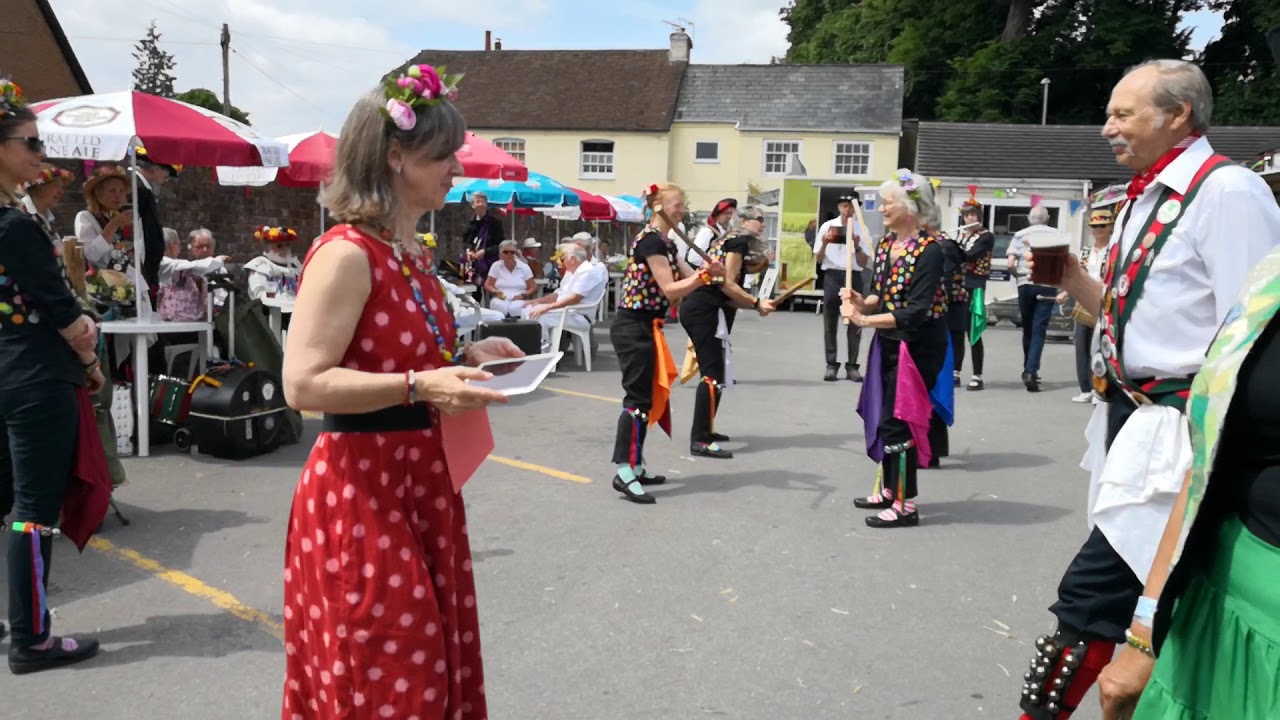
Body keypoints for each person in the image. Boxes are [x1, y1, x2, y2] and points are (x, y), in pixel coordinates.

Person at [1016, 59, 1280, 720]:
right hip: (1133, 428)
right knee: (1130, 610)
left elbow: (1249, 335)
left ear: (1179, 114)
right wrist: (1072, 277)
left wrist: (1205, 456)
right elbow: (1124, 316)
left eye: (1122, 114)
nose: (1107, 128)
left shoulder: (1228, 193)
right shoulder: (1145, 195)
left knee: (1089, 604)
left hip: (1185, 440)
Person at [280, 64, 522, 719]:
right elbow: (302, 383)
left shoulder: (408, 252)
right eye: (442, 155)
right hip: (364, 495)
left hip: (420, 488)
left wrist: (464, 358)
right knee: (385, 682)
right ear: (393, 157)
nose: (455, 170)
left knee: (424, 674)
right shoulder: (347, 253)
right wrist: (421, 383)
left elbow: (403, 359)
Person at [1103, 248, 1280, 719]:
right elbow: (1211, 456)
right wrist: (1145, 629)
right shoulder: (1272, 273)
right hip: (1212, 604)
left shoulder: (1228, 193)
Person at [0, 77, 104, 671]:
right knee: (33, 508)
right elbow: (60, 305)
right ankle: (32, 639)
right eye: (31, 143)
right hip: (37, 372)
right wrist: (89, 359)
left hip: (8, 367)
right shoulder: (14, 223)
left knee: (11, 500)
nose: (42, 155)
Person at [844, 169, 947, 529]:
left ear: (909, 207)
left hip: (917, 346)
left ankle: (906, 505)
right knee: (883, 415)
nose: (883, 209)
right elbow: (882, 294)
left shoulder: (931, 251)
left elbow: (915, 311)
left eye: (889, 203)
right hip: (889, 341)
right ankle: (890, 490)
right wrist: (862, 301)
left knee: (897, 422)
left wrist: (863, 321)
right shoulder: (888, 244)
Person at [610, 182, 723, 505]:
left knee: (645, 399)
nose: (682, 209)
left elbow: (690, 279)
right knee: (637, 399)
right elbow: (672, 289)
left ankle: (637, 464)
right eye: (677, 204)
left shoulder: (667, 244)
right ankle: (624, 470)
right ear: (658, 207)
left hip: (648, 327)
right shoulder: (649, 242)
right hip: (633, 326)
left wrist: (710, 274)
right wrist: (702, 277)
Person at [678, 205, 776, 459]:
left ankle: (706, 429)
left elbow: (736, 272)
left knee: (718, 371)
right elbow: (728, 283)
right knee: (712, 373)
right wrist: (756, 304)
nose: (763, 225)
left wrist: (761, 264)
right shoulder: (739, 241)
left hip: (706, 308)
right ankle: (699, 439)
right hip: (704, 308)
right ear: (743, 220)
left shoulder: (730, 239)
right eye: (759, 220)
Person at [815, 200, 870, 382]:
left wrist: (856, 244)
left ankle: (852, 366)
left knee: (855, 321)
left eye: (851, 206)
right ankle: (831, 364)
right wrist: (824, 243)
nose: (847, 210)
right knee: (830, 321)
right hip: (832, 275)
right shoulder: (828, 226)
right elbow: (818, 258)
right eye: (844, 206)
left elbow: (863, 262)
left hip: (853, 275)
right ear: (839, 207)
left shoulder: (862, 228)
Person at [1007, 205, 1059, 392]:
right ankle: (1031, 371)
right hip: (1046, 284)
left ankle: (1028, 368)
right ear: (1048, 218)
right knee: (1039, 329)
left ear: (1030, 218)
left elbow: (1010, 263)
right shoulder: (1056, 234)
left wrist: (1018, 275)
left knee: (1027, 327)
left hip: (1025, 284)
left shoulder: (1020, 234)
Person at [1064, 209, 1113, 404]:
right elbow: (1077, 275)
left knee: (1104, 346)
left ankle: (1102, 387)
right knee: (1082, 345)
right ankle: (1086, 387)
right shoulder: (1085, 251)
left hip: (1106, 301)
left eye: (1102, 226)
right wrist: (1065, 292)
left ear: (1110, 227)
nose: (1098, 230)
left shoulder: (1115, 250)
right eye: (1094, 227)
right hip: (1084, 300)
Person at [524, 242, 606, 347]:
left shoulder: (588, 272)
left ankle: (543, 351)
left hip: (579, 315)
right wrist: (537, 302)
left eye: (563, 259)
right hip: (570, 312)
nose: (561, 263)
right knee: (530, 310)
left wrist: (546, 308)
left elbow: (574, 299)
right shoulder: (575, 272)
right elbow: (560, 294)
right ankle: (536, 348)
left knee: (537, 317)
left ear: (572, 259)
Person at [954, 199, 993, 390]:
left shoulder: (986, 236)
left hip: (975, 285)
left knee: (973, 331)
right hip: (957, 285)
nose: (970, 218)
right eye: (967, 215)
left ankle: (978, 374)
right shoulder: (959, 234)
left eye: (973, 215)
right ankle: (955, 372)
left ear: (979, 216)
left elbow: (970, 255)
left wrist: (949, 247)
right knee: (957, 330)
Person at [156, 227, 229, 323]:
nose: (205, 250)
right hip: (176, 319)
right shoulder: (178, 267)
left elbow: (224, 297)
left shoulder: (220, 271)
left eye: (208, 246)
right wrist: (217, 261)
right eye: (200, 246)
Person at [244, 226, 302, 303]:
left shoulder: (295, 266)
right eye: (279, 246)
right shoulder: (260, 265)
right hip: (271, 311)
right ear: (267, 247)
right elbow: (259, 295)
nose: (284, 249)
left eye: (287, 245)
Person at [485, 239, 536, 316]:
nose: (509, 254)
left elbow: (533, 287)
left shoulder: (524, 267)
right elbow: (488, 285)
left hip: (519, 299)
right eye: (506, 252)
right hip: (501, 299)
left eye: (512, 252)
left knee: (516, 308)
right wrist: (496, 292)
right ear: (501, 254)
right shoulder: (496, 266)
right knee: (499, 306)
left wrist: (523, 295)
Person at [680, 197, 735, 268]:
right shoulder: (707, 232)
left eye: (731, 213)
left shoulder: (727, 231)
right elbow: (694, 258)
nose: (729, 216)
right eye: (726, 213)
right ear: (718, 214)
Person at [463, 190, 504, 285]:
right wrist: (468, 251)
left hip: (490, 265)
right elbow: (465, 242)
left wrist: (485, 252)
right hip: (473, 265)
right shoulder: (470, 223)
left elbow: (500, 245)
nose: (480, 204)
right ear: (473, 205)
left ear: (486, 204)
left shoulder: (495, 223)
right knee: (473, 293)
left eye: (482, 202)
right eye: (478, 202)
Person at [20, 163, 73, 236]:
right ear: (39, 187)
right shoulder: (19, 215)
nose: (61, 192)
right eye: (56, 185)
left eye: (62, 187)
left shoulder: (48, 218)